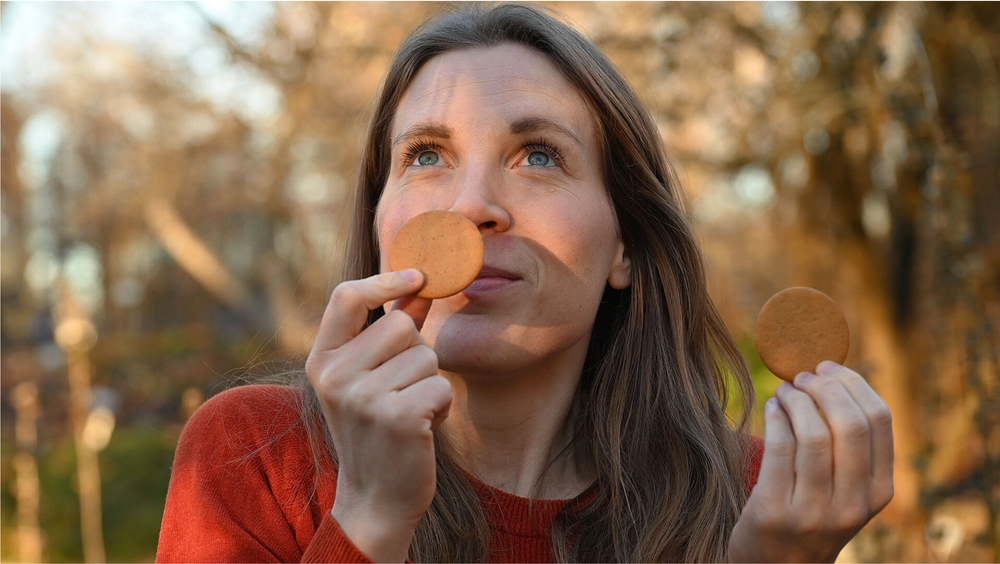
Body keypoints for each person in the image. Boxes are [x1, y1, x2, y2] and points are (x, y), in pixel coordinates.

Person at [156, 4, 894, 562]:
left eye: (538, 156)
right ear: (377, 216)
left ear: (625, 244)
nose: (470, 206)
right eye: (425, 156)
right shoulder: (253, 455)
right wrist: (370, 517)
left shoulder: (761, 501)